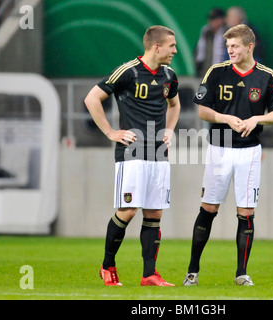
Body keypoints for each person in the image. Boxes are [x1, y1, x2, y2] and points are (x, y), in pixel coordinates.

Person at [183, 24, 273, 286]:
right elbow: (203, 111)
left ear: (250, 47)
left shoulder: (266, 76)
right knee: (208, 208)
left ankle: (241, 273)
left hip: (249, 151)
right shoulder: (217, 72)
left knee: (247, 212)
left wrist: (257, 119)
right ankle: (192, 271)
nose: (230, 50)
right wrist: (225, 118)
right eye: (228, 46)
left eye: (235, 46)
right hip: (219, 149)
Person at [84, 25, 181, 286]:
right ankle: (107, 266)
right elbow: (92, 98)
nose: (175, 50)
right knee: (127, 211)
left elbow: (175, 104)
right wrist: (110, 132)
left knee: (154, 213)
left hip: (158, 153)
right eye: (171, 46)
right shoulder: (128, 71)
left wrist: (169, 131)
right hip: (132, 153)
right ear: (156, 46)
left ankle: (149, 274)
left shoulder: (169, 76)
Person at [195, 8, 227, 77]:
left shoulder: (228, 32)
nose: (211, 21)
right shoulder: (206, 32)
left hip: (223, 73)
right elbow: (199, 52)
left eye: (214, 19)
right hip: (207, 73)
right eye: (211, 19)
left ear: (221, 20)